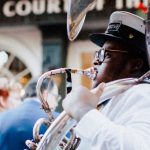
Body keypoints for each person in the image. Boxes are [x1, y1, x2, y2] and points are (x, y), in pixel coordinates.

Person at [62, 11, 150, 150]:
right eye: (97, 54)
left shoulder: (143, 94)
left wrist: (83, 110)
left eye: (105, 54)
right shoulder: (111, 98)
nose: (95, 61)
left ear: (135, 65)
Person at [0, 77, 60, 150]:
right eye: (56, 97)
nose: (56, 104)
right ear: (45, 94)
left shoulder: (2, 118)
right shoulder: (57, 120)